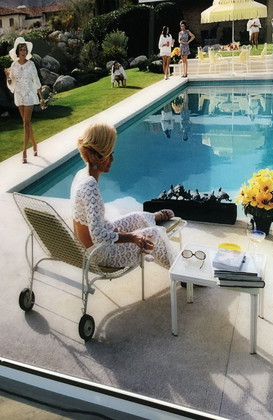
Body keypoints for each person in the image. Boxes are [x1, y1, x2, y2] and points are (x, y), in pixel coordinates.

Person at [71, 123, 177, 269]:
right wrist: (132, 237)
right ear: (98, 156)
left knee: (136, 217)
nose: (112, 160)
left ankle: (152, 217)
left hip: (91, 247)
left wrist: (117, 231)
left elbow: (94, 221)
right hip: (99, 254)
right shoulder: (90, 185)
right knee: (155, 234)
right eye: (110, 154)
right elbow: (98, 235)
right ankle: (182, 273)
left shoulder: (81, 175)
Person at [5, 37, 45, 164]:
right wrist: (8, 78)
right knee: (26, 123)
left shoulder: (31, 64)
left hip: (29, 95)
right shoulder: (13, 65)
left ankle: (24, 152)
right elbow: (11, 84)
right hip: (19, 95)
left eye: (24, 49)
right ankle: (35, 145)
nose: (23, 51)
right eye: (21, 49)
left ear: (27, 51)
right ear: (17, 51)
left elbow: (37, 81)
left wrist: (41, 98)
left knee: (26, 123)